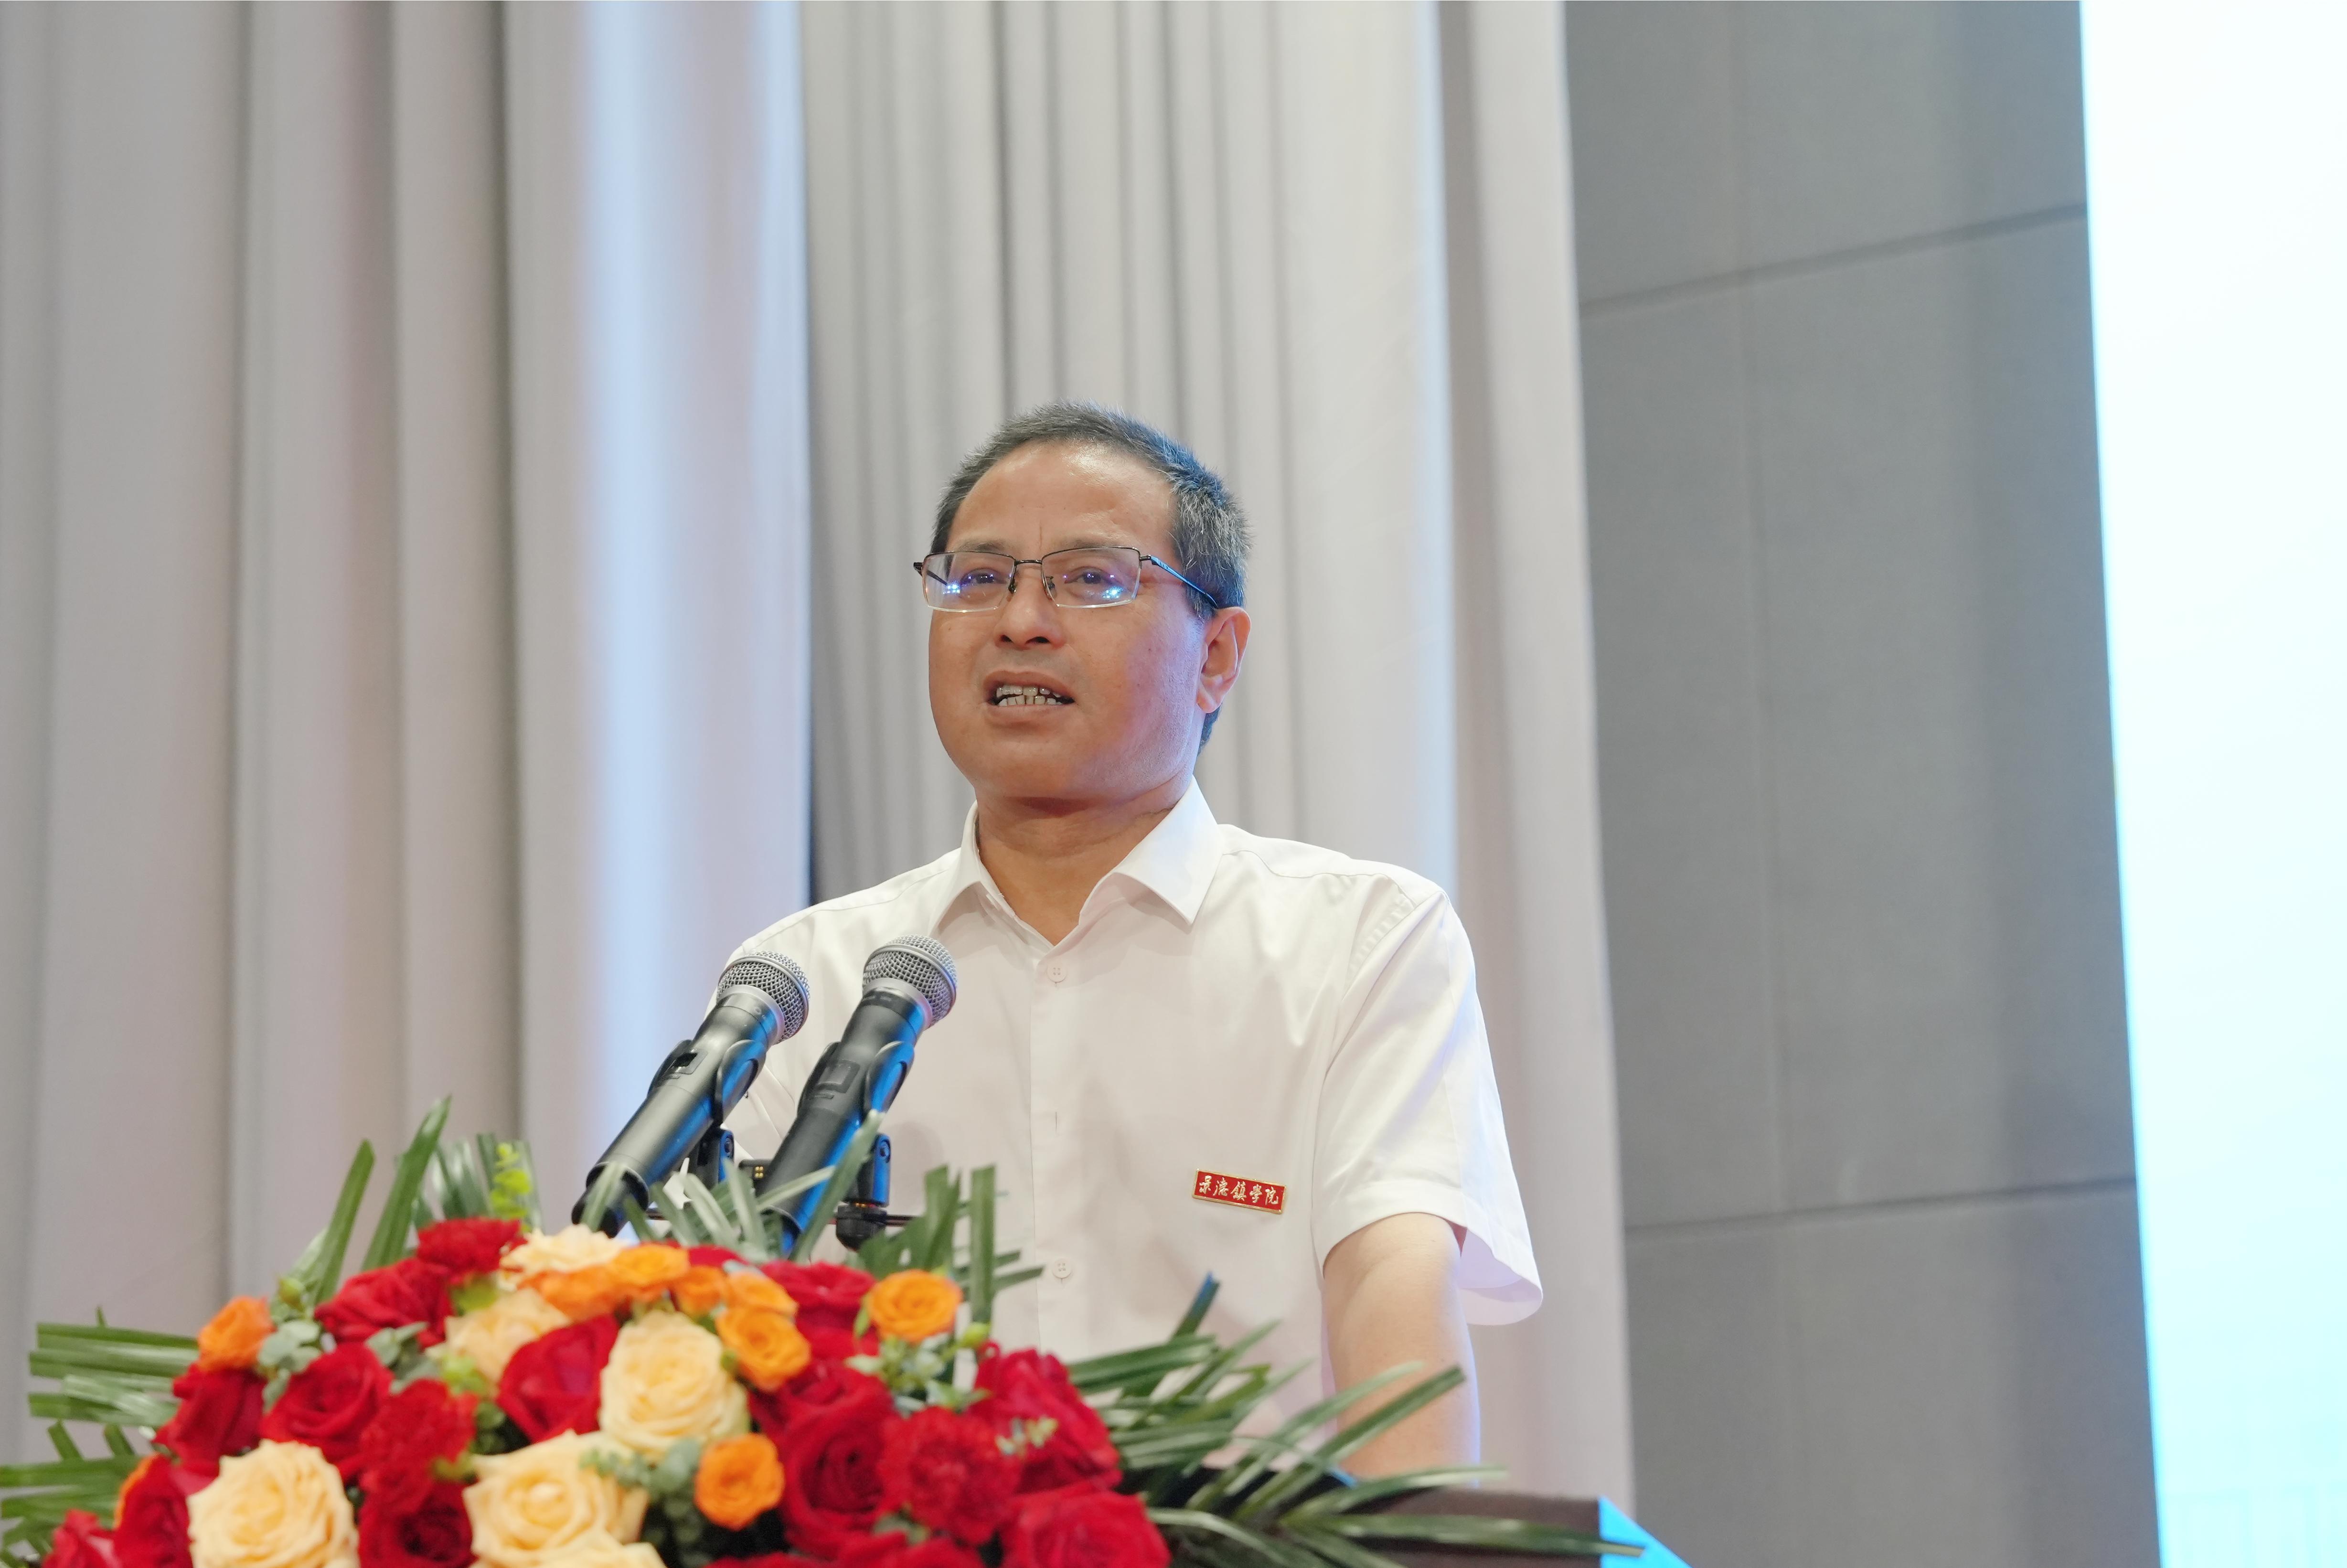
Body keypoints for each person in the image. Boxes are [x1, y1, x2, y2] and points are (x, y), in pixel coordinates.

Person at [725, 404, 1536, 1473]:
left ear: (1217, 655)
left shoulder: (1359, 942)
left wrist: (1417, 1539)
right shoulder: (808, 979)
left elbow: (1392, 1292)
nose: (1020, 620)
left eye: (1092, 579)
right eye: (978, 578)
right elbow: (722, 1340)